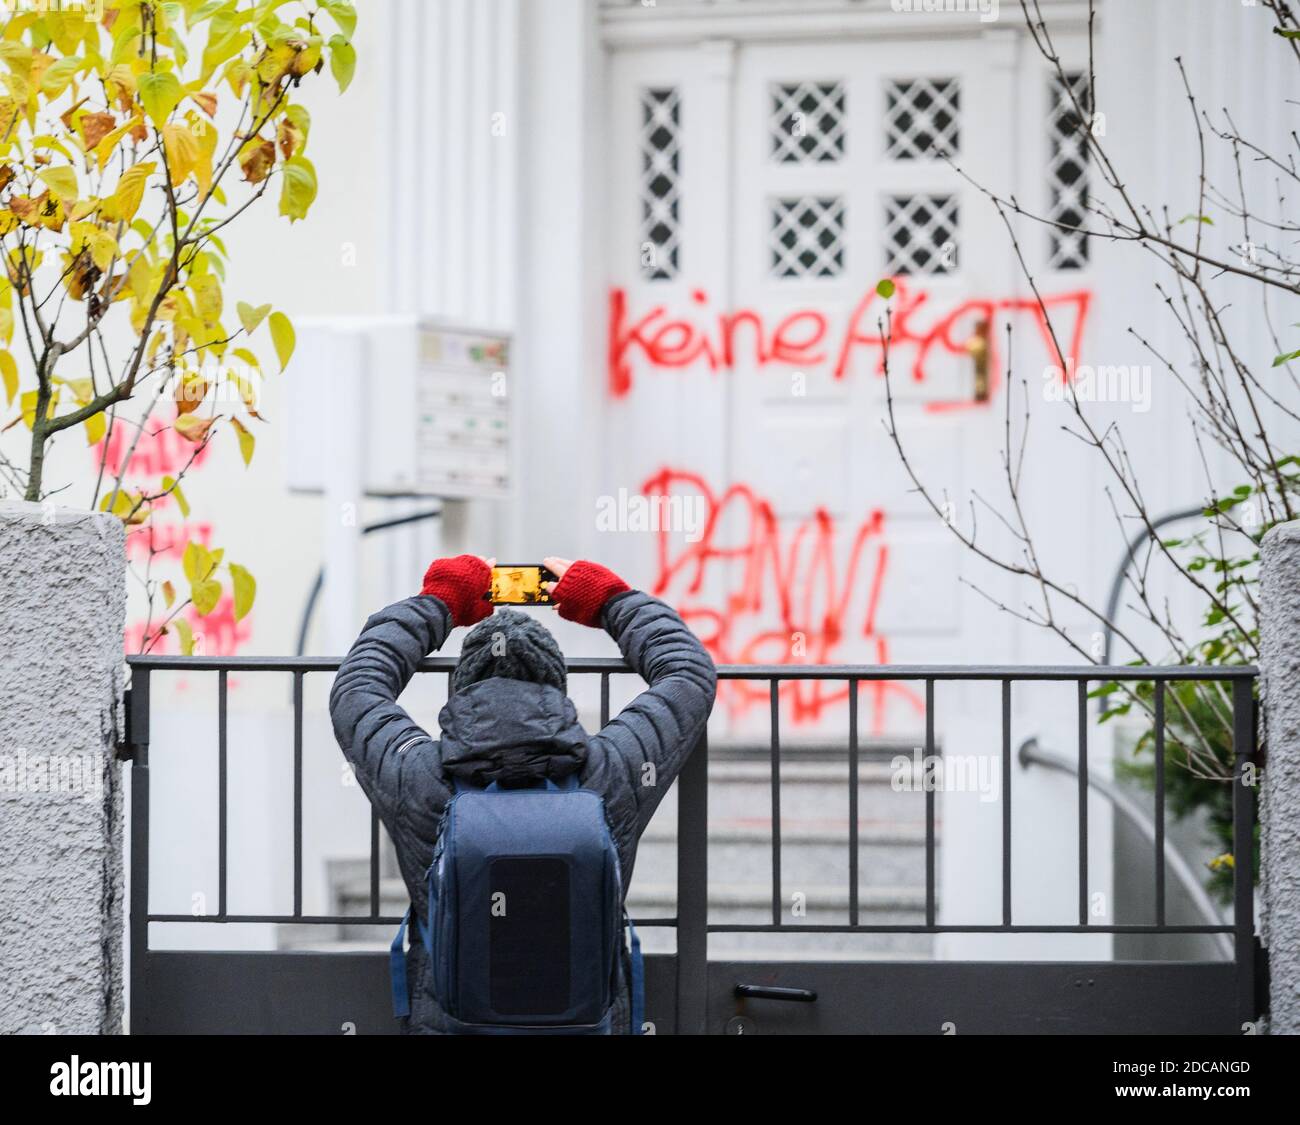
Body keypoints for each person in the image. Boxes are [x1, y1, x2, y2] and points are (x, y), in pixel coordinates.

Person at [328, 554, 717, 1034]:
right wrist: (610, 599)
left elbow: (358, 686)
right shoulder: (610, 772)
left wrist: (442, 599)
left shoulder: (418, 776)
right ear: (556, 685)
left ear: (461, 687)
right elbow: (687, 674)